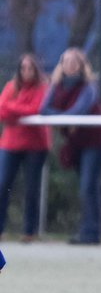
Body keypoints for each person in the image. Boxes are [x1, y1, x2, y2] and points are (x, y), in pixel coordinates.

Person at [40, 48, 101, 245]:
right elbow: (43, 110)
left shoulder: (89, 87)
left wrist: (58, 118)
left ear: (81, 66)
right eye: (66, 61)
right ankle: (88, 232)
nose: (70, 65)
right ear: (61, 65)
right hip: (76, 144)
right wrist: (63, 119)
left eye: (74, 62)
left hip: (95, 142)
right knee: (87, 187)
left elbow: (77, 111)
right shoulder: (55, 86)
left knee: (87, 186)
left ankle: (91, 233)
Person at [0, 54, 52, 242]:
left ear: (36, 70)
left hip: (35, 146)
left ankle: (29, 231)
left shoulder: (43, 88)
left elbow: (36, 109)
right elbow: (1, 110)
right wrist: (20, 110)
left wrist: (14, 110)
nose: (26, 72)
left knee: (32, 189)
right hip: (9, 144)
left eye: (30, 68)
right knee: (2, 184)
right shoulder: (10, 87)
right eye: (23, 68)